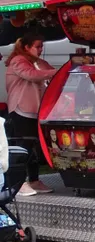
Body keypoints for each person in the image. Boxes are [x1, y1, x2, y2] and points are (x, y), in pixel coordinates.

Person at [5, 33, 57, 196]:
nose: (41, 49)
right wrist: (54, 72)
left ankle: (34, 180)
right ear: (27, 47)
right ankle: (16, 183)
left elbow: (52, 73)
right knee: (22, 148)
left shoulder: (40, 62)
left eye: (42, 46)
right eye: (37, 46)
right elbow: (32, 75)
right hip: (21, 110)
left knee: (35, 148)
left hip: (37, 111)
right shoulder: (18, 61)